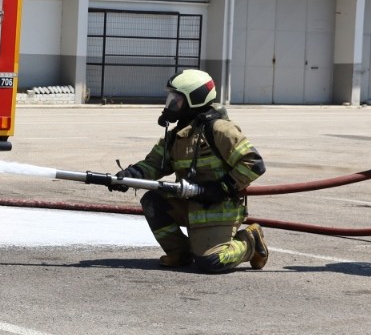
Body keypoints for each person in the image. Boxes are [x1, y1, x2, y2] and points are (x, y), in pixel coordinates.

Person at [109, 70, 269, 273]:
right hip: (190, 203)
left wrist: (222, 187)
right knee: (152, 200)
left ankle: (250, 241)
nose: (171, 104)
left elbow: (254, 163)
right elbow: (154, 165)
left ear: (195, 100)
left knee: (211, 262)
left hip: (218, 209)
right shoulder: (178, 135)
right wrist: (129, 176)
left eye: (176, 99)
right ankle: (180, 253)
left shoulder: (220, 130)